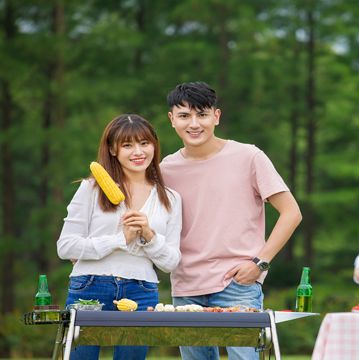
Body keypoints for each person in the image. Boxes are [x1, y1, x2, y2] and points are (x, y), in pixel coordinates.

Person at [160, 81, 302, 360]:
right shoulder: (165, 168)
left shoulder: (248, 156)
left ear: (216, 116)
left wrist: (259, 263)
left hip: (238, 284)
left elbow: (291, 213)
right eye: (184, 115)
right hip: (186, 286)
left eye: (202, 114)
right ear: (171, 120)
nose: (194, 124)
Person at [57, 114, 182, 360]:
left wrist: (149, 235)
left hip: (142, 289)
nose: (138, 152)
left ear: (154, 146)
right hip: (89, 286)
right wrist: (118, 240)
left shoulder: (170, 198)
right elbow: (66, 246)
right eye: (127, 145)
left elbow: (170, 263)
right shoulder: (92, 188)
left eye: (144, 143)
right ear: (113, 149)